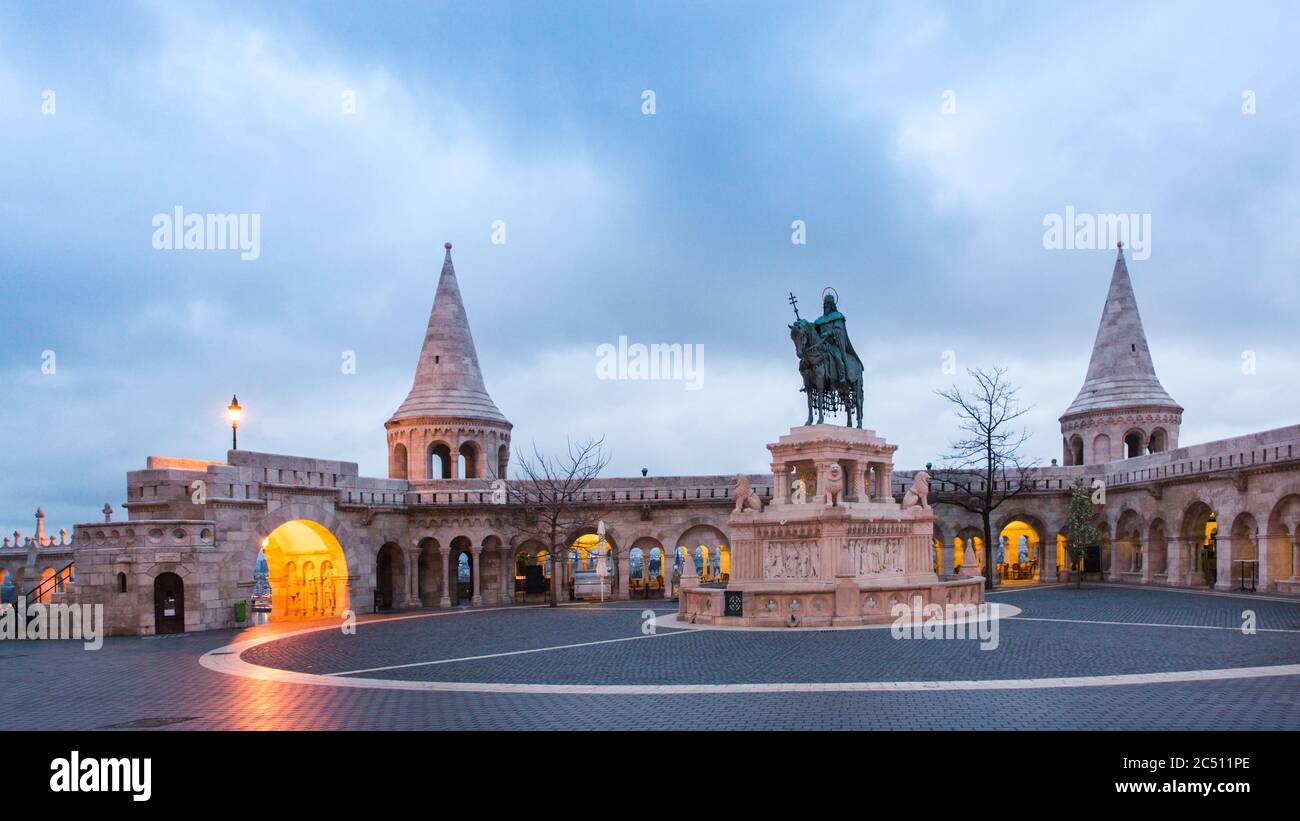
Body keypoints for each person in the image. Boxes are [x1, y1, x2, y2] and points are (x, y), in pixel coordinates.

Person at [814, 292, 862, 383]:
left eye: (827, 304)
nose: (825, 306)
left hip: (832, 344)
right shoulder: (819, 320)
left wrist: (828, 333)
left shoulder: (837, 316)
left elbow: (838, 330)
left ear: (832, 305)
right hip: (821, 345)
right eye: (824, 304)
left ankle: (842, 376)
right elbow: (813, 329)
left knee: (837, 357)